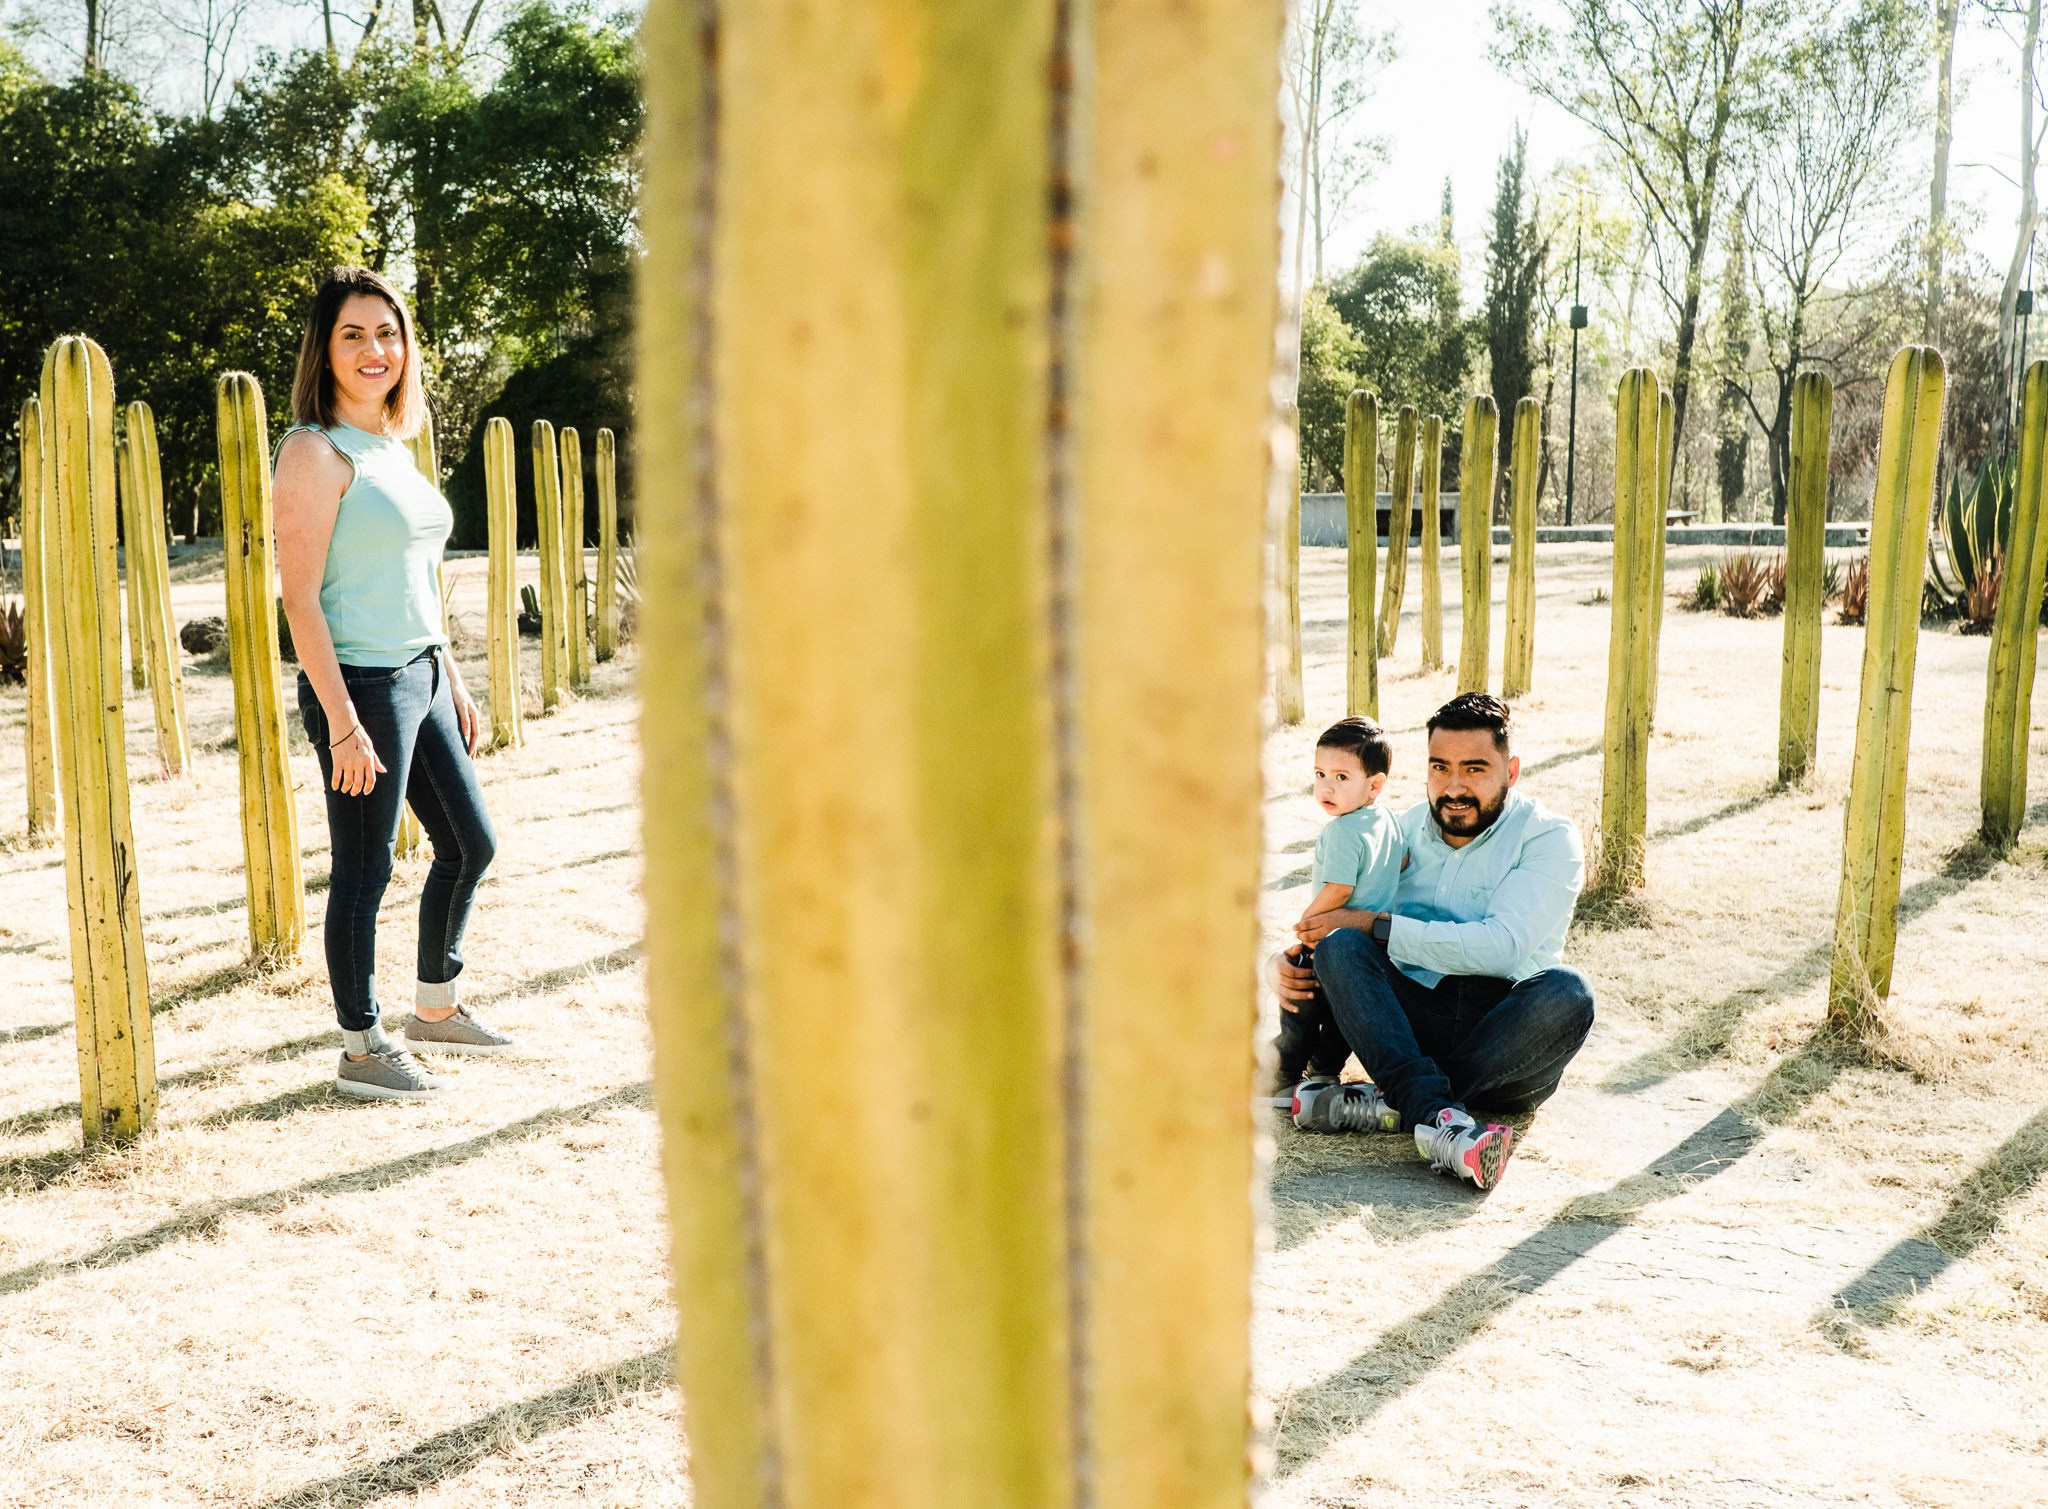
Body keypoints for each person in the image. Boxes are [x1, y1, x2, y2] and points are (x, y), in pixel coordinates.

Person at [274, 266, 513, 1101]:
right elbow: (300, 598)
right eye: (353, 334)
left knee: (470, 843)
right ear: (325, 350)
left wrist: (452, 675)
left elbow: (416, 573)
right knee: (364, 871)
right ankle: (361, 1048)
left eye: (387, 333)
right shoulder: (314, 450)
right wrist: (342, 720)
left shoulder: (391, 445)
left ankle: (435, 1008)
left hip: (422, 673)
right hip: (362, 686)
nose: (374, 349)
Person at [1274, 692, 1593, 1192]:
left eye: (1474, 769)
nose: (1454, 786)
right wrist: (1287, 959)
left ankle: (1396, 1101)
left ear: (1511, 771)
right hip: (1412, 1022)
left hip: (1505, 1039)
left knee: (1569, 993)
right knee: (1340, 949)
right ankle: (1435, 1116)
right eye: (1440, 767)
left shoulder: (1547, 838)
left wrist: (1376, 924)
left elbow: (1503, 948)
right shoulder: (1397, 832)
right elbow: (1336, 915)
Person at [1272, 717, 1406, 1096]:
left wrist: (1306, 923)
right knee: (1341, 1015)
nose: (1326, 787)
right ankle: (1324, 1070)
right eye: (1320, 774)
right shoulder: (1387, 820)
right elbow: (1403, 861)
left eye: (1341, 777)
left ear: (1374, 785)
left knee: (1299, 1007)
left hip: (1330, 938)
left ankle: (1281, 1077)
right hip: (1371, 946)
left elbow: (1340, 889)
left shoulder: (1343, 831)